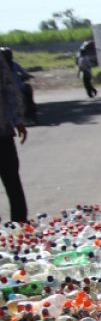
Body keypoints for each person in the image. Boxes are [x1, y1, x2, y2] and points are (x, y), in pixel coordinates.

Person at [0, 52, 29, 223]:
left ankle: (20, 225)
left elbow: (10, 89)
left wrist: (18, 119)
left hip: (2, 132)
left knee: (11, 180)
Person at [0, 48, 35, 125]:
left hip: (14, 89)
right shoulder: (9, 65)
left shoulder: (13, 64)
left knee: (27, 91)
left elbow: (23, 73)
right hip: (13, 90)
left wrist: (27, 76)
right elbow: (24, 74)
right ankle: (30, 114)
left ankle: (29, 112)